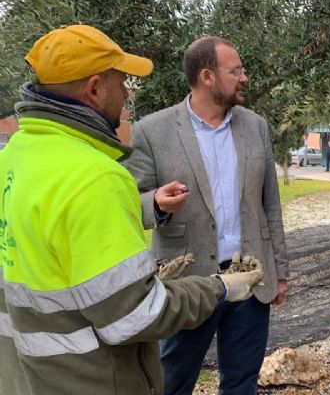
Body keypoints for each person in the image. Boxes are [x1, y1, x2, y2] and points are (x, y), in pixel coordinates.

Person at [0, 25, 264, 395]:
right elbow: (136, 315)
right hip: (93, 378)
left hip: (30, 375)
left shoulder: (14, 155)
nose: (126, 92)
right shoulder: (93, 175)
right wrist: (218, 288)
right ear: (94, 88)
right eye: (121, 81)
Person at [124, 35, 289, 395]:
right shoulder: (152, 131)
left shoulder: (256, 126)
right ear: (207, 76)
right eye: (236, 71)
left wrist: (280, 270)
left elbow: (270, 204)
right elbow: (126, 203)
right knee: (172, 382)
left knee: (242, 382)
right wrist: (156, 202)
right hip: (187, 283)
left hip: (250, 279)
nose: (244, 78)